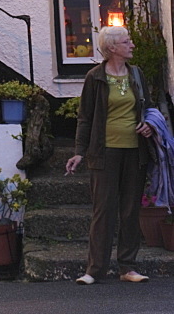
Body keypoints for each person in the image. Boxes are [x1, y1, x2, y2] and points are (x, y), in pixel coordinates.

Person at [65, 26, 154, 285]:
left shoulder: (137, 74)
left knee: (130, 210)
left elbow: (147, 108)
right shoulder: (95, 77)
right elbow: (85, 117)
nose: (132, 45)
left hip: (136, 152)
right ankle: (94, 270)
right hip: (103, 153)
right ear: (112, 48)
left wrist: (149, 125)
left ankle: (128, 268)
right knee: (103, 210)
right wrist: (80, 152)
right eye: (127, 42)